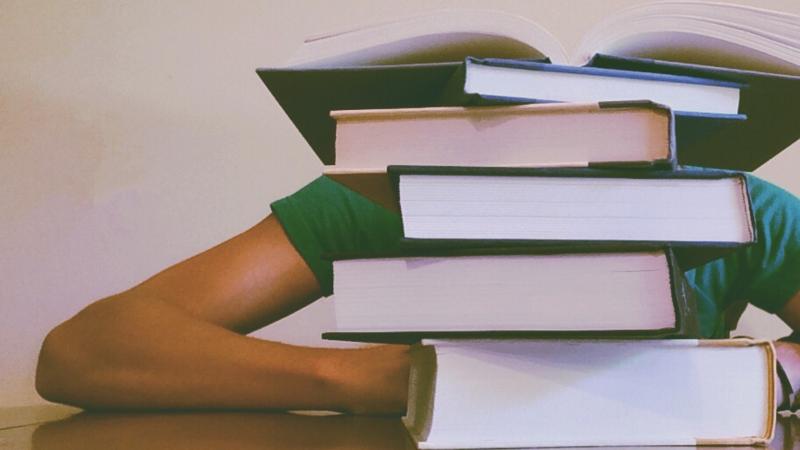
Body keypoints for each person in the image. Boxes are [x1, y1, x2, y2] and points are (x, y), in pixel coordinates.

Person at [35, 172, 800, 414]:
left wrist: (739, 379)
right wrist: (365, 378)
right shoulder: (382, 197)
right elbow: (81, 353)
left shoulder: (728, 208)